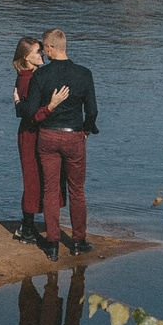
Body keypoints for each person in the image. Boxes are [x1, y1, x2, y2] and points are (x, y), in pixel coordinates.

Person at [21, 27, 97, 259]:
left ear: (51, 48)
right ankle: (78, 242)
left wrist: (18, 103)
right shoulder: (84, 73)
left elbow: (31, 111)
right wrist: (85, 130)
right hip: (74, 136)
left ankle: (52, 244)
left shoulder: (41, 75)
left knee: (51, 191)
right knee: (77, 191)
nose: (44, 52)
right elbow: (92, 111)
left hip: (48, 137)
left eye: (45, 48)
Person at [8, 36, 47, 243]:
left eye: (41, 50)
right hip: (31, 134)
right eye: (37, 51)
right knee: (33, 179)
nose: (42, 54)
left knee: (37, 178)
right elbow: (31, 113)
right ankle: (27, 227)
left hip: (34, 133)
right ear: (26, 56)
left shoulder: (32, 76)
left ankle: (28, 225)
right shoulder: (26, 79)